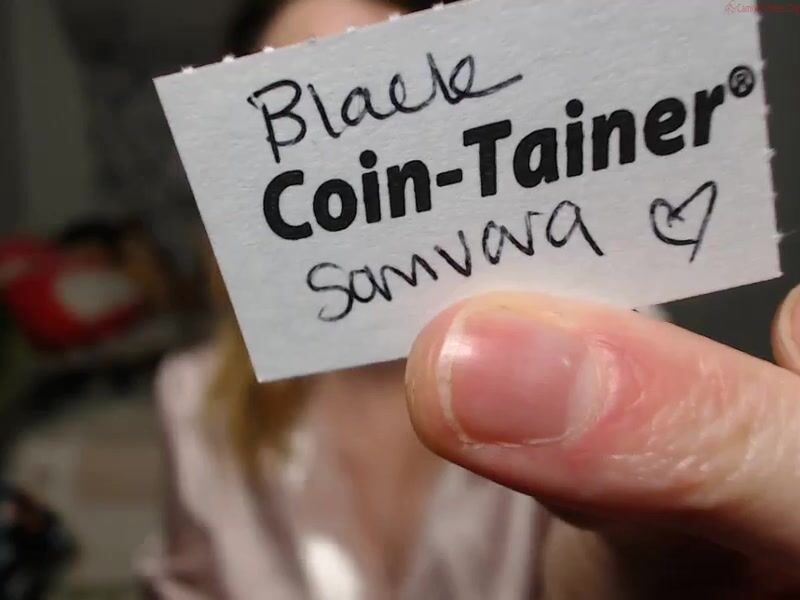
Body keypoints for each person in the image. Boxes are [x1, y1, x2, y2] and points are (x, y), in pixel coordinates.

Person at [141, 0, 800, 598]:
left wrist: (648, 556)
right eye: (293, 123)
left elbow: (626, 562)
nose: (350, 156)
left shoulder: (588, 356)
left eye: (378, 95)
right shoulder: (193, 400)